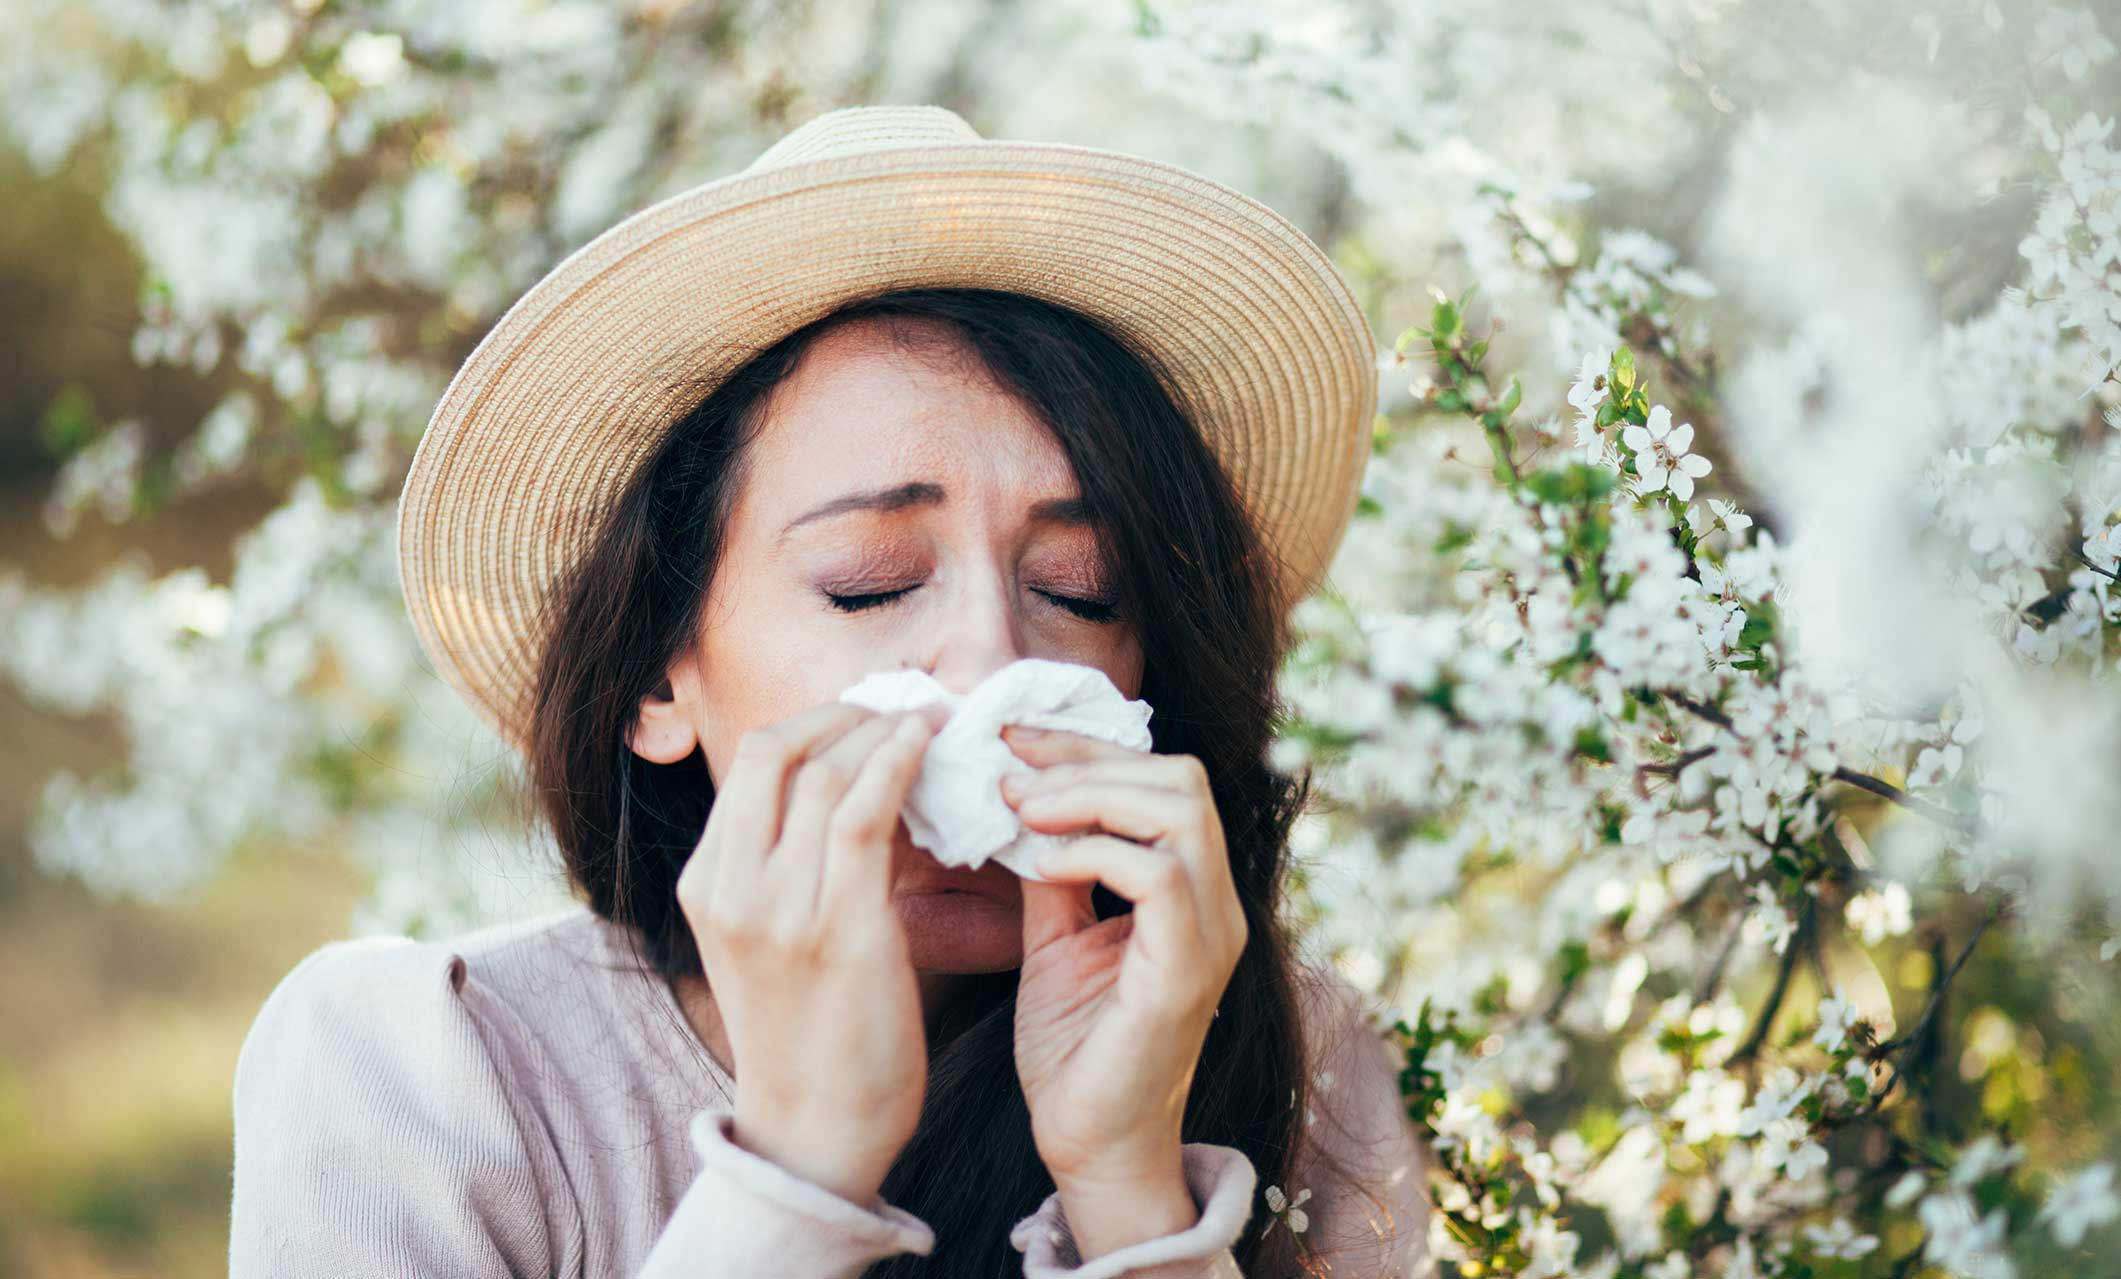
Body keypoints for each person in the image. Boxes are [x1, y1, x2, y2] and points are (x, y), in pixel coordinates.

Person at [228, 105, 1432, 1278]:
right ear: (657, 675)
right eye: (868, 587)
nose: (990, 662)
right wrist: (797, 1172)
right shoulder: (418, 1073)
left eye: (1080, 587)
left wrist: (1129, 1193)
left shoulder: (1310, 1078)